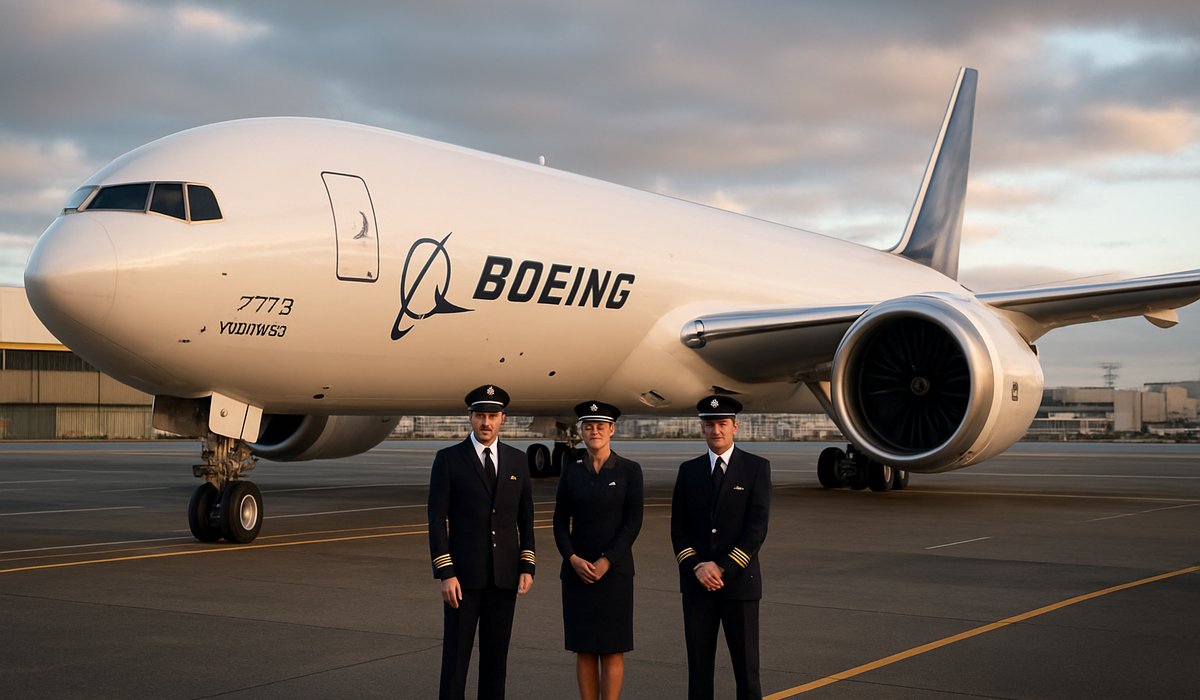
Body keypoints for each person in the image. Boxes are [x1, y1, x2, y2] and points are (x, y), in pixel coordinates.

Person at [428, 384, 536, 700]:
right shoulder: (448, 459)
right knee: (455, 663)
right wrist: (446, 573)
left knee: (495, 662)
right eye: (479, 416)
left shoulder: (518, 461)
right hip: (463, 579)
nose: (485, 423)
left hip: (504, 579)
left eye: (492, 416)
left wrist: (527, 564)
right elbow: (436, 520)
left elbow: (526, 518)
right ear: (470, 418)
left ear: (503, 418)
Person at [671, 396, 771, 700]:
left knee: (747, 669)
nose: (716, 430)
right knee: (699, 670)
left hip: (739, 584)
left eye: (722, 424)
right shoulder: (688, 471)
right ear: (702, 428)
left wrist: (723, 567)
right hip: (697, 585)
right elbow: (678, 529)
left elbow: (756, 529)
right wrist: (697, 566)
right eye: (710, 424)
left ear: (735, 427)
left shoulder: (756, 468)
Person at [553, 401, 644, 700]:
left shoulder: (630, 471)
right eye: (589, 427)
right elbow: (558, 524)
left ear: (612, 430)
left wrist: (607, 560)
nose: (594, 432)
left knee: (613, 649)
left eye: (600, 427)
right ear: (581, 431)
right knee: (585, 649)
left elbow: (633, 523)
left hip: (614, 573)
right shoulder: (572, 472)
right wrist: (573, 559)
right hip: (578, 574)